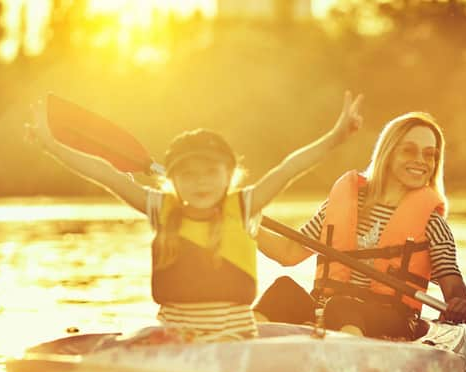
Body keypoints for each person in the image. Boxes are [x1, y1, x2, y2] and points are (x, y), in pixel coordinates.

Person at [28, 92, 364, 343]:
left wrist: (335, 138)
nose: (200, 181)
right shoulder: (162, 208)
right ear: (172, 181)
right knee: (142, 338)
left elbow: (289, 168)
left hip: (234, 347)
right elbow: (106, 174)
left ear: (228, 174)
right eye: (187, 174)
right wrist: (52, 146)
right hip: (175, 344)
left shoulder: (245, 205)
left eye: (209, 171)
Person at [253, 111, 466, 341]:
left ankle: (346, 362)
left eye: (430, 155)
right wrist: (248, 225)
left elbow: (453, 283)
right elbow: (288, 253)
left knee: (343, 306)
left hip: (393, 320)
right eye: (409, 150)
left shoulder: (432, 224)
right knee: (282, 290)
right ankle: (239, 353)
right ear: (388, 153)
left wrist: (460, 302)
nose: (421, 160)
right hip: (328, 310)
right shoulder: (341, 205)